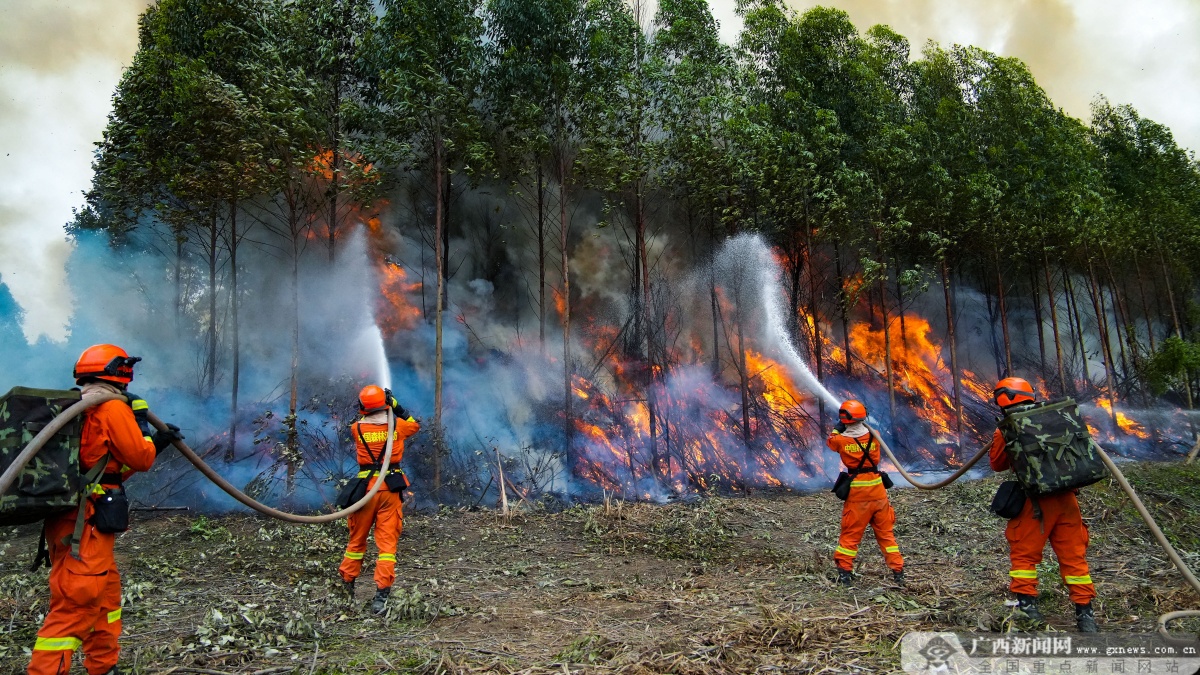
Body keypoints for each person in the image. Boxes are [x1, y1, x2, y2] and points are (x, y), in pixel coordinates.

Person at [29, 344, 184, 675]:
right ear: (122, 373)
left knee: (106, 597)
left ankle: (103, 667)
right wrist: (141, 428)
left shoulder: (77, 407)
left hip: (75, 522)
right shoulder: (110, 409)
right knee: (77, 603)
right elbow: (140, 459)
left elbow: (106, 470)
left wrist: (156, 442)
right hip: (83, 525)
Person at [989, 377, 1098, 632]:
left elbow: (997, 465)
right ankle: (1086, 617)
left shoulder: (1007, 427)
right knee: (1074, 558)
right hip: (1068, 500)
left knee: (1024, 556)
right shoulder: (1058, 417)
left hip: (1036, 504)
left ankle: (1029, 610)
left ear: (1002, 400)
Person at [338, 385, 420, 614]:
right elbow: (414, 424)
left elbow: (366, 420)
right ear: (386, 403)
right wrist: (397, 407)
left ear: (363, 406)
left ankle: (346, 593)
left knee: (356, 543)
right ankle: (380, 600)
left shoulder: (357, 428)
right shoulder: (399, 426)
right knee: (387, 546)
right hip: (390, 490)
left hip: (364, 492)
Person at [827, 400, 904, 587]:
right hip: (878, 490)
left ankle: (845, 572)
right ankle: (898, 570)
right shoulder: (874, 435)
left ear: (844, 419)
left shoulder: (841, 440)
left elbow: (831, 442)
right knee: (886, 535)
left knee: (851, 534)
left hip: (858, 494)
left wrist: (838, 429)